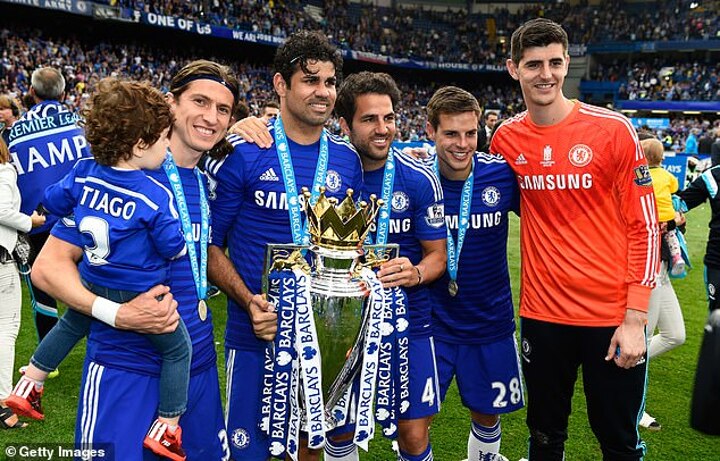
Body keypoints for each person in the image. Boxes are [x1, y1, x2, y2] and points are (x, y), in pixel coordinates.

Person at [30, 60, 238, 460]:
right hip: (125, 368)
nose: (212, 117)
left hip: (196, 369)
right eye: (200, 101)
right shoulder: (119, 173)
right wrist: (117, 314)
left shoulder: (207, 180)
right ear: (171, 104)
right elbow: (48, 268)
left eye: (223, 109)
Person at [491, 18, 658, 460]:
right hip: (543, 316)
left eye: (554, 62)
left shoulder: (612, 130)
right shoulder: (506, 140)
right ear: (513, 68)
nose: (545, 74)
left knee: (618, 442)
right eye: (533, 64)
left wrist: (636, 319)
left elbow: (645, 226)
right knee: (544, 436)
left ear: (567, 64)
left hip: (611, 317)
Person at [6, 79, 194, 460]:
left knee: (71, 324)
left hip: (92, 279)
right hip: (137, 289)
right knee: (179, 350)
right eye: (163, 138)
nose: (167, 146)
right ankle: (167, 427)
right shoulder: (153, 193)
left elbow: (52, 199)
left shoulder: (82, 171)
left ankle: (30, 383)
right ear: (139, 144)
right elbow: (173, 246)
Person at [206, 31, 364, 461]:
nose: (323, 92)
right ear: (280, 84)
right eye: (310, 81)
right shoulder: (243, 151)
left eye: (329, 82)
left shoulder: (347, 160)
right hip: (254, 331)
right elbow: (210, 245)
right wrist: (249, 302)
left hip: (321, 340)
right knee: (248, 453)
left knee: (309, 452)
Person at [331, 71, 447, 461]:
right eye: (369, 119)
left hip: (408, 322)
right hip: (342, 324)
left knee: (413, 435)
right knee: (339, 431)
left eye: (389, 118)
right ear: (345, 124)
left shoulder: (418, 179)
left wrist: (416, 272)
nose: (383, 129)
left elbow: (438, 256)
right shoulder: (328, 175)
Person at [426, 86, 522, 461]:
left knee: (487, 414)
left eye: (471, 133)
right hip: (429, 324)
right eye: (451, 133)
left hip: (489, 321)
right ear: (431, 130)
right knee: (415, 421)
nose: (463, 144)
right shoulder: (414, 178)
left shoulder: (501, 175)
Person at [8, 67, 91, 348]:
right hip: (85, 219)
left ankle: (48, 359)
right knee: (96, 286)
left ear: (32, 92)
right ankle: (105, 351)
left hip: (37, 224)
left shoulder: (12, 136)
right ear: (65, 94)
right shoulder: (83, 126)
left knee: (43, 294)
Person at [636, 136, 686, 432]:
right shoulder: (637, 182)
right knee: (641, 339)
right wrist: (673, 222)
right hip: (647, 267)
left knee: (675, 335)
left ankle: (622, 361)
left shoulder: (653, 179)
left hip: (662, 267)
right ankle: (635, 407)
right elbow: (645, 224)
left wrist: (675, 222)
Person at [0, 138, 45, 430]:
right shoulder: (4, 171)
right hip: (1, 259)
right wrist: (30, 222)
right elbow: (2, 210)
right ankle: (3, 402)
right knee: (6, 328)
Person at [642, 138, 685, 276]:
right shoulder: (667, 175)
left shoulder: (640, 175)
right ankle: (677, 256)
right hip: (667, 216)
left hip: (649, 215)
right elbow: (675, 188)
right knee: (671, 235)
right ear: (661, 158)